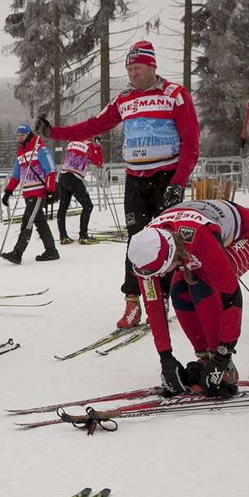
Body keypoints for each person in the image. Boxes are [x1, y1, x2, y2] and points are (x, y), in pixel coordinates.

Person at [34, 40, 200, 328]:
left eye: (137, 68)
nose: (133, 74)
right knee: (137, 242)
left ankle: (162, 297)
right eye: (129, 69)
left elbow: (192, 143)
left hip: (165, 176)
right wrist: (54, 132)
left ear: (152, 66)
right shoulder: (124, 99)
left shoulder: (176, 94)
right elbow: (92, 126)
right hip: (135, 178)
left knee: (165, 241)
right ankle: (133, 301)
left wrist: (178, 181)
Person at [127, 200, 249, 398]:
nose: (158, 277)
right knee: (180, 293)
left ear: (172, 257)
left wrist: (222, 357)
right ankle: (204, 358)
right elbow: (155, 307)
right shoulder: (147, 248)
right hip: (188, 242)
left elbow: (231, 296)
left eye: (161, 271)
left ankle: (224, 367)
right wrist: (165, 357)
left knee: (204, 286)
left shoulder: (199, 237)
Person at [0, 124, 59, 264]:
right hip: (28, 193)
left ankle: (17, 252)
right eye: (17, 135)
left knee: (27, 221)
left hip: (38, 192)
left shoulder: (40, 149)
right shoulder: (21, 152)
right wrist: (8, 191)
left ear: (28, 135)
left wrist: (50, 190)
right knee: (40, 222)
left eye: (22, 135)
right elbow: (16, 175)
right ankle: (51, 251)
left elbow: (50, 170)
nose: (19, 138)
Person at [56, 136, 103, 244]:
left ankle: (63, 236)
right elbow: (98, 162)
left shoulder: (72, 142)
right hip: (74, 178)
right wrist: (98, 147)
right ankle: (83, 235)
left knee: (63, 207)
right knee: (88, 206)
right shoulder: (89, 145)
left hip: (63, 176)